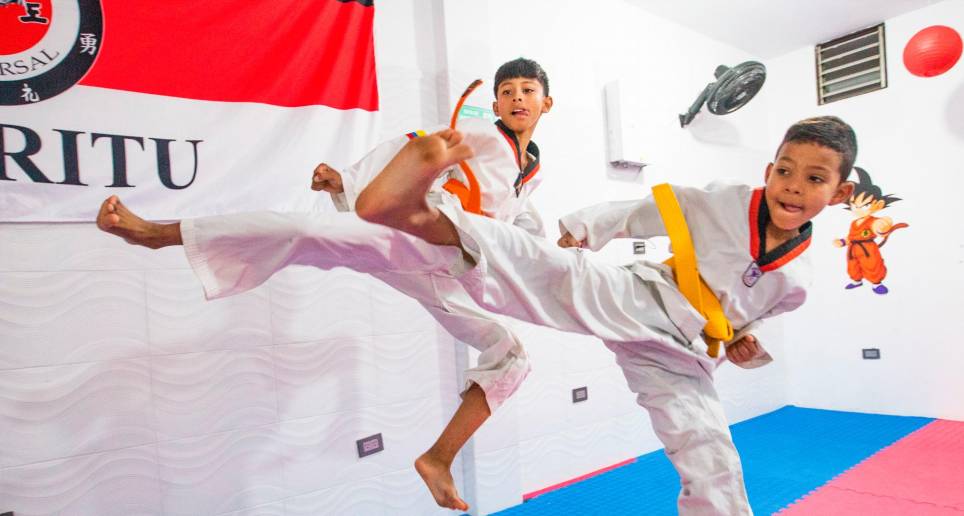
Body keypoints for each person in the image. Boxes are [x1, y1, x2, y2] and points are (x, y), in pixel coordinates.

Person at [96, 58, 554, 512]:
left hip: (454, 270)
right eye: (508, 91)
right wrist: (346, 181)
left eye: (527, 90)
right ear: (495, 103)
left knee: (512, 357)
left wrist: (553, 248)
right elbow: (409, 145)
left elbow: (523, 219)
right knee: (305, 231)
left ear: (545, 104)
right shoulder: (478, 135)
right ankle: (159, 234)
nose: (517, 97)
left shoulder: (531, 170)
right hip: (416, 237)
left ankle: (438, 459)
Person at [353, 116, 857, 514]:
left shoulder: (796, 283)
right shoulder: (728, 201)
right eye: (785, 170)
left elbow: (750, 317)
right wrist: (589, 227)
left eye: (814, 178)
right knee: (553, 270)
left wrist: (743, 342)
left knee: (713, 459)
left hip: (683, 358)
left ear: (839, 193)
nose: (793, 186)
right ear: (768, 171)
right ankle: (418, 216)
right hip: (644, 297)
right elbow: (663, 208)